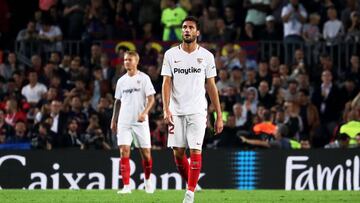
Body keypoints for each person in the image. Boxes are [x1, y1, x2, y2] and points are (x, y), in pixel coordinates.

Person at [161, 16, 223, 203]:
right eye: (184, 27)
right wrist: (166, 108)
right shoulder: (171, 55)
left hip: (198, 110)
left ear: (197, 32)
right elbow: (166, 82)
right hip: (176, 111)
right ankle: (193, 183)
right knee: (178, 154)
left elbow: (211, 86)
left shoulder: (206, 56)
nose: (187, 30)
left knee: (196, 150)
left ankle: (190, 193)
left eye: (190, 27)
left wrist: (218, 115)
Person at [111, 51, 156, 194]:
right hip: (124, 122)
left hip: (140, 122)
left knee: (146, 154)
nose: (126, 62)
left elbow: (151, 99)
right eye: (125, 60)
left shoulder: (144, 79)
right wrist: (114, 120)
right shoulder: (121, 81)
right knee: (124, 151)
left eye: (129, 60)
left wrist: (144, 113)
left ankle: (148, 181)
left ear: (136, 61)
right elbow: (117, 102)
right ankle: (126, 186)